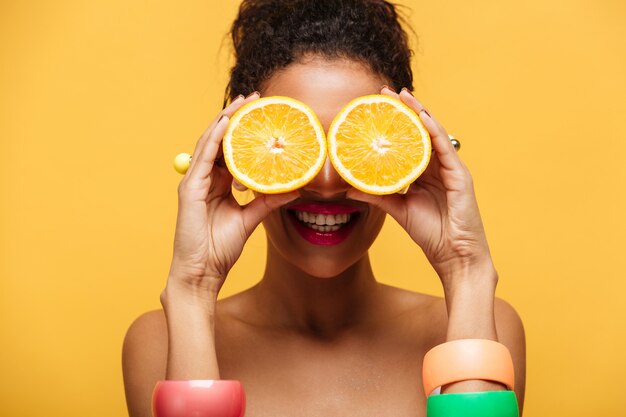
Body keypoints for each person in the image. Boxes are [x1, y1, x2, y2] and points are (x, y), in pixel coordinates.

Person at [122, 1, 526, 416]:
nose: (329, 184)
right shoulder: (160, 342)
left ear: (405, 152)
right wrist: (193, 287)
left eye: (353, 145)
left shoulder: (480, 322)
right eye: (300, 145)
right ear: (239, 151)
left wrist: (466, 268)